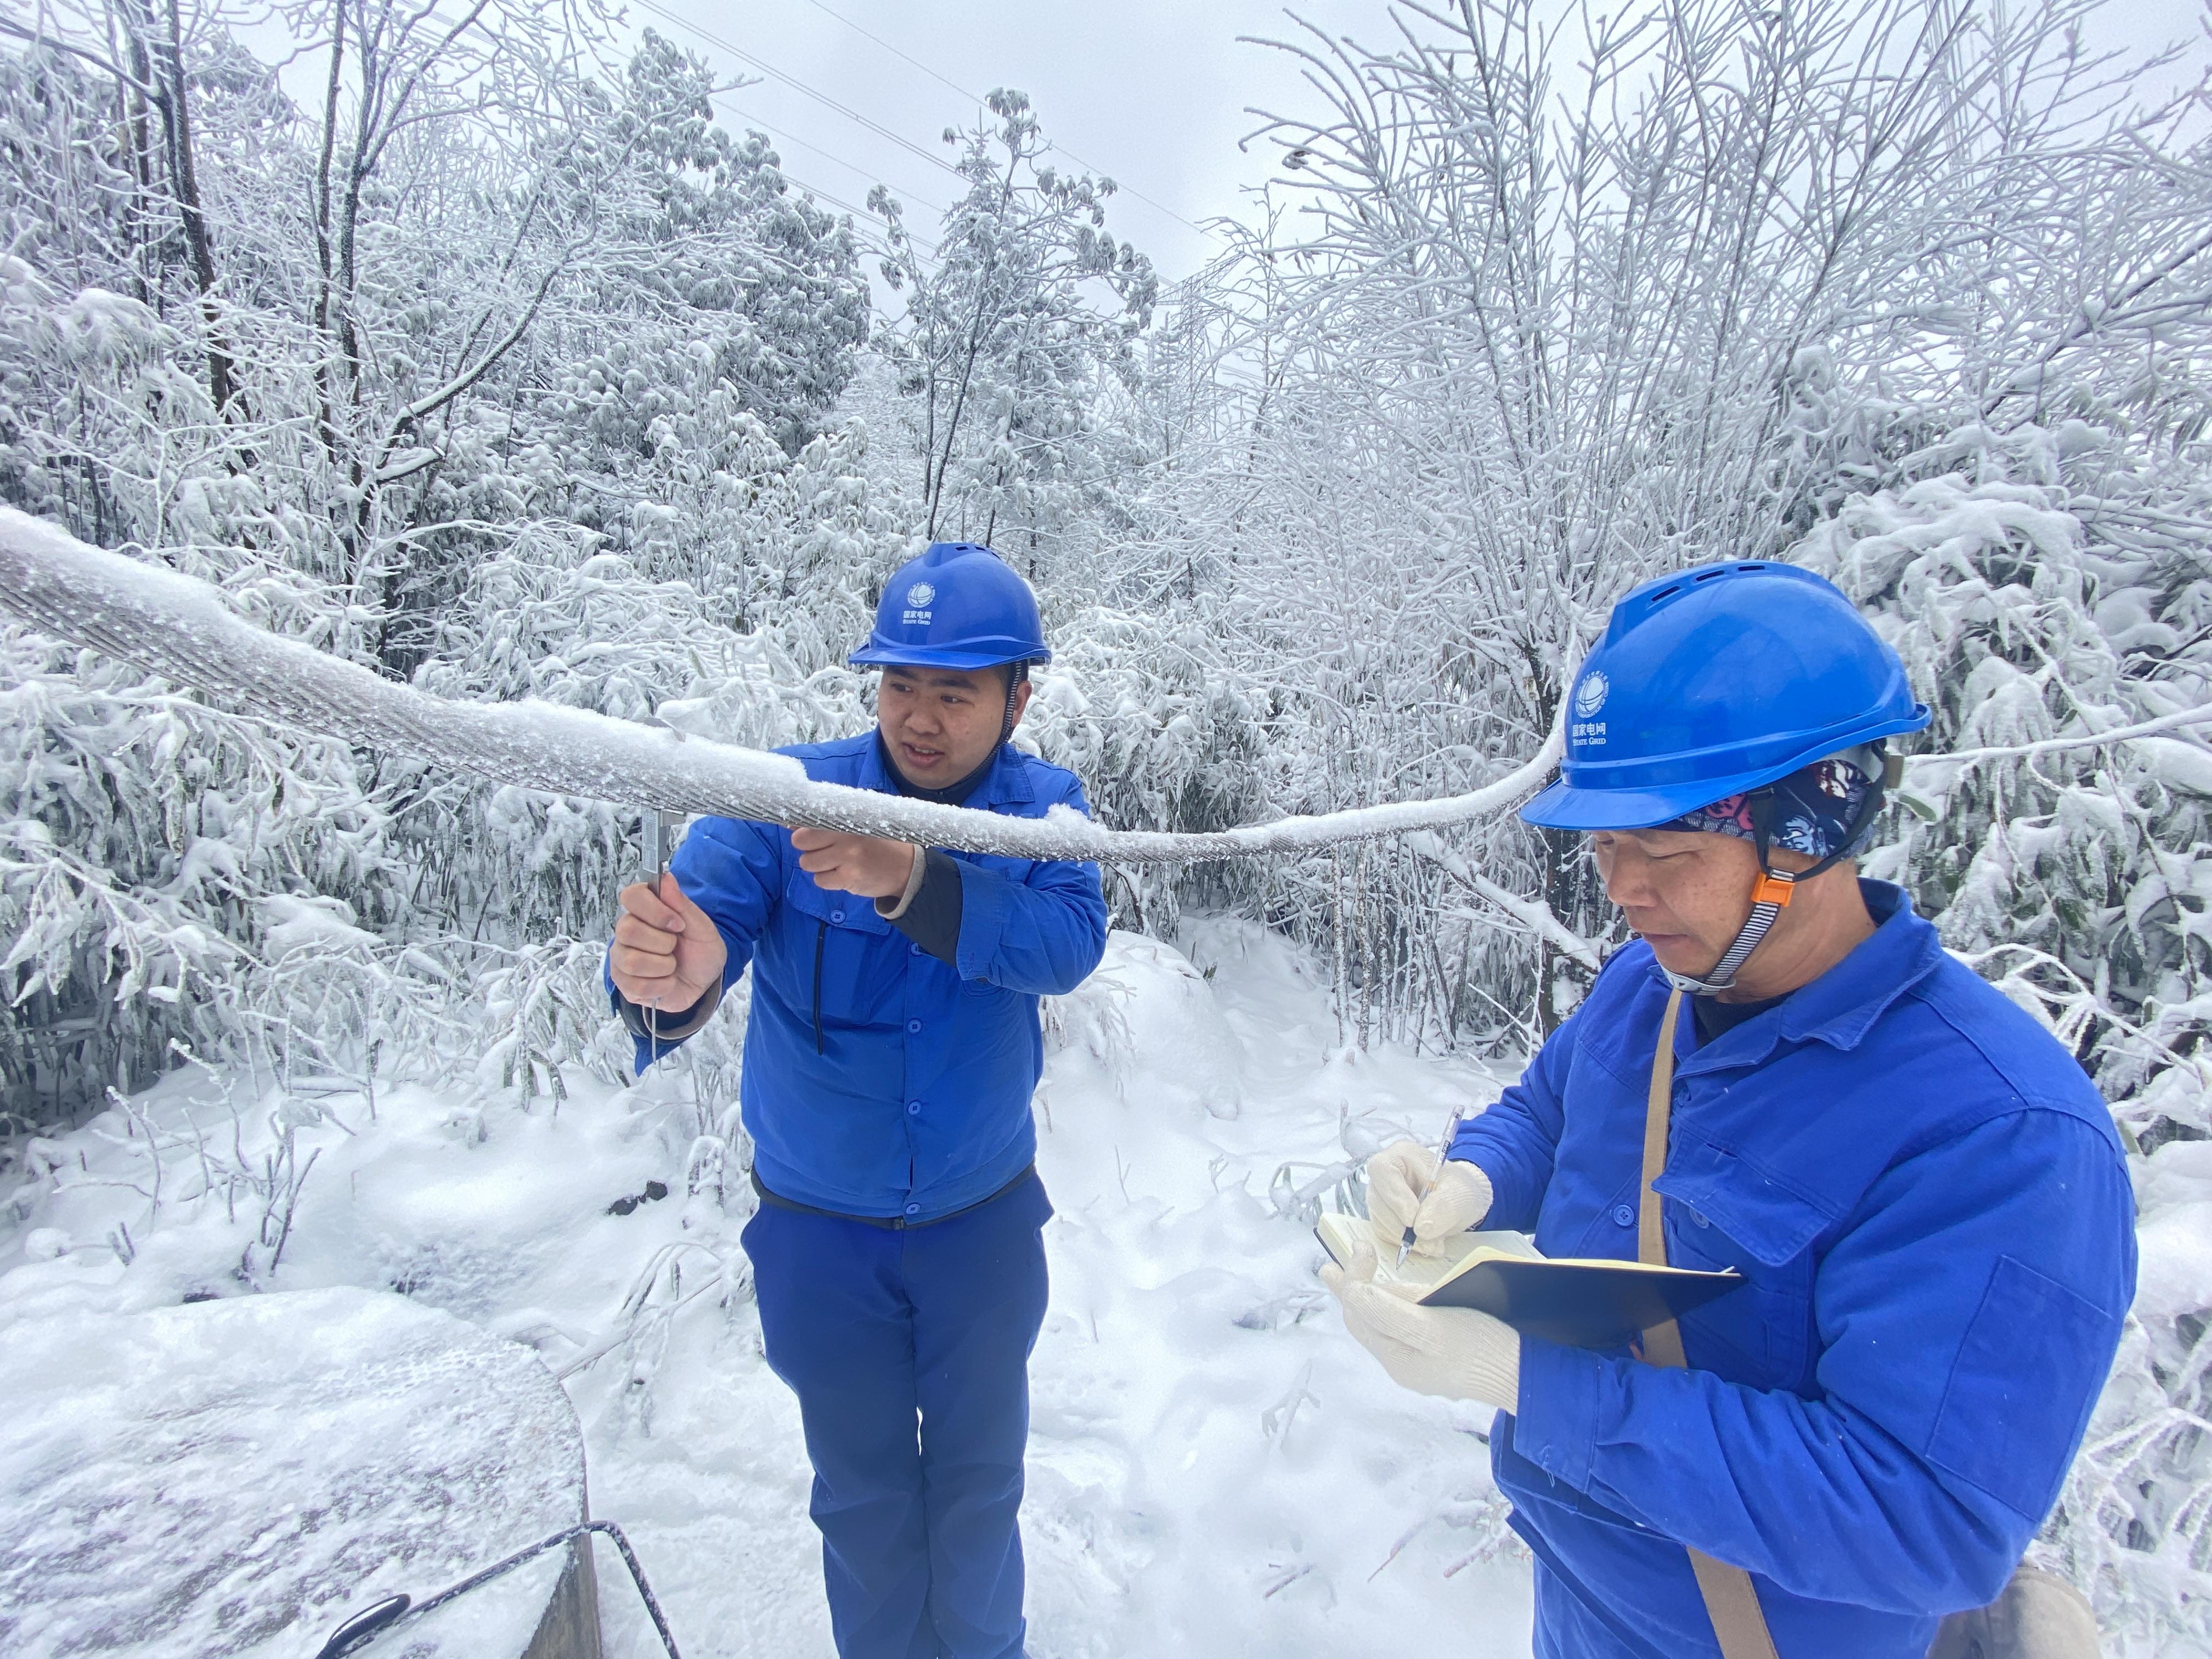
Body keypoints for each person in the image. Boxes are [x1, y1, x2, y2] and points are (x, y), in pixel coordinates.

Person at [1323, 561, 2136, 1659]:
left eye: (1666, 852)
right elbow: (1552, 1108)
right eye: (1604, 847)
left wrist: (1528, 1380)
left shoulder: (2001, 1133)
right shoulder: (1649, 987)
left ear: (1806, 834)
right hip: (1587, 1610)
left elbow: (1924, 1522)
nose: (1623, 889)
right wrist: (1470, 1174)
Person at [604, 541, 1108, 1659]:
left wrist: (910, 876)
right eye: (898, 687)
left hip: (981, 1227)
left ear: (1019, 696)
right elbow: (698, 926)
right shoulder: (788, 798)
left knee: (978, 1491)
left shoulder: (1044, 814)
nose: (919, 719)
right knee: (866, 1498)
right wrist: (666, 984)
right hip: (820, 1237)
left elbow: (1068, 941)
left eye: (954, 692)